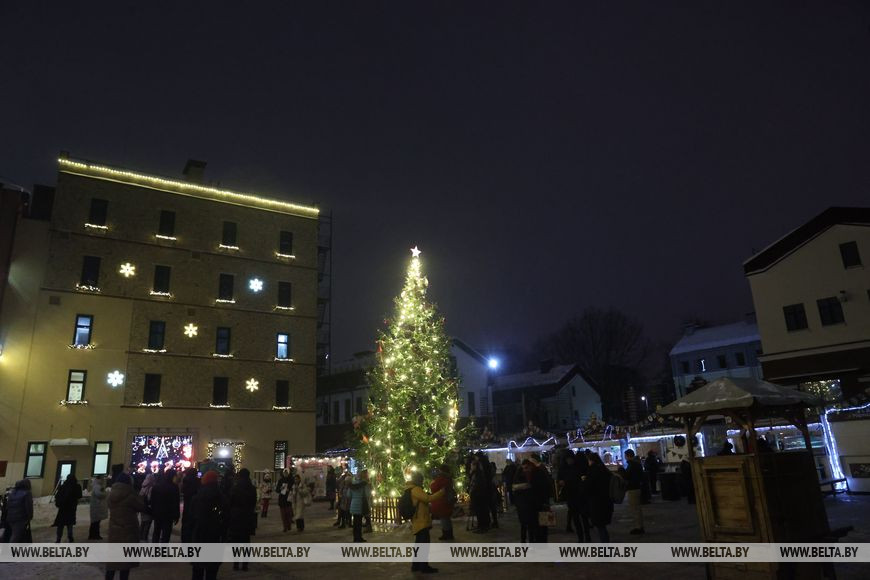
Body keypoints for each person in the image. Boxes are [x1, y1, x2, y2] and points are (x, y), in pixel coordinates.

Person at [105, 473, 145, 580]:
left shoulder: (111, 495)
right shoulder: (131, 495)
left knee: (113, 561)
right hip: (128, 530)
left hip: (114, 530)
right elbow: (141, 506)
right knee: (125, 563)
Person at [406, 471, 444, 573]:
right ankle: (423, 567)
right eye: (421, 479)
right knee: (423, 545)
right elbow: (428, 498)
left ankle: (416, 566)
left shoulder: (412, 488)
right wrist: (441, 492)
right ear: (418, 480)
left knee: (419, 544)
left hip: (419, 520)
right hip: (421, 521)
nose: (422, 481)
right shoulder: (416, 489)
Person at [191, 471, 227, 580]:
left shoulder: (196, 497)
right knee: (212, 571)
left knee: (197, 570)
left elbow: (190, 521)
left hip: (199, 536)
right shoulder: (222, 498)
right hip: (215, 536)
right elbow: (226, 520)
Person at [228, 468, 257, 571]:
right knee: (246, 541)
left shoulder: (235, 488)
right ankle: (245, 564)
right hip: (247, 516)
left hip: (236, 517)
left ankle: (236, 564)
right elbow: (254, 502)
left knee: (235, 541)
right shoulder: (252, 488)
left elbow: (230, 502)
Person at [583, 453, 613, 543]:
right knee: (602, 526)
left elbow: (589, 486)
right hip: (606, 500)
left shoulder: (593, 470)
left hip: (597, 501)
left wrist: (585, 481)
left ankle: (605, 547)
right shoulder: (604, 469)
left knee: (600, 526)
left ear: (591, 460)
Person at [558, 453, 587, 541]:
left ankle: (586, 536)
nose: (569, 461)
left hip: (580, 494)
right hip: (570, 495)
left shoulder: (578, 467)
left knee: (583, 517)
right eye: (567, 459)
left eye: (570, 459)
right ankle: (581, 537)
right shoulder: (563, 469)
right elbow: (559, 479)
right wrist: (561, 482)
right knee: (576, 517)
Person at [150, 471, 180, 543]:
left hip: (157, 513)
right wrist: (177, 515)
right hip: (168, 514)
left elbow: (152, 500)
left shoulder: (156, 486)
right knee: (166, 534)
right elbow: (176, 502)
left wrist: (152, 511)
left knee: (156, 532)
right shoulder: (174, 487)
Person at [53, 474, 83, 543]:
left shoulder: (63, 486)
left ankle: (58, 538)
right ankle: (70, 536)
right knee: (70, 523)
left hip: (63, 507)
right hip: (72, 507)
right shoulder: (76, 486)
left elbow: (58, 495)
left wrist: (59, 503)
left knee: (61, 524)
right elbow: (79, 496)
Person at [430, 464, 455, 541]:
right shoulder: (448, 478)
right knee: (446, 518)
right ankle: (449, 534)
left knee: (444, 519)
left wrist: (432, 483)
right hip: (447, 500)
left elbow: (433, 487)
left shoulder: (442, 478)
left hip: (442, 501)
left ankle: (447, 535)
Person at [623, 449, 645, 535]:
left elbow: (627, 476)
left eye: (625, 456)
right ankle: (639, 526)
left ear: (628, 456)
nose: (625, 457)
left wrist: (621, 469)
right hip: (636, 487)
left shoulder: (632, 465)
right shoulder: (636, 464)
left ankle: (638, 527)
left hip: (633, 488)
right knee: (637, 508)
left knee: (635, 508)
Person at [468, 454, 491, 532]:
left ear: (475, 466)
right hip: (479, 495)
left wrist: (473, 492)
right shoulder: (478, 473)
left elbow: (476, 485)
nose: (471, 467)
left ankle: (482, 526)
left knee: (480, 511)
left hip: (478, 495)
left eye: (472, 465)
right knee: (481, 511)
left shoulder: (478, 475)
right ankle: (483, 525)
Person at [181, 468, 201, 542]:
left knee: (185, 522)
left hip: (187, 503)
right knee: (192, 523)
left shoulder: (185, 480)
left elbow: (183, 490)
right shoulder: (197, 481)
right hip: (194, 505)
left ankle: (184, 539)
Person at [348, 474, 367, 542]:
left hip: (353, 504)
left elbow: (348, 495)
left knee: (355, 523)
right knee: (359, 523)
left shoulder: (351, 486)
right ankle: (359, 537)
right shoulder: (363, 485)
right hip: (360, 504)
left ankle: (355, 538)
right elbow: (366, 494)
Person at [89, 474, 109, 540]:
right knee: (96, 522)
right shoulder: (97, 486)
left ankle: (93, 535)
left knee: (95, 522)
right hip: (97, 506)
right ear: (99, 479)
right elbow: (99, 494)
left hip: (97, 506)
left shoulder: (97, 485)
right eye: (102, 478)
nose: (103, 480)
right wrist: (105, 493)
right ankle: (95, 535)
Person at [138, 472, 156, 540]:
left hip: (142, 506)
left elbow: (140, 495)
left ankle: (140, 535)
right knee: (148, 522)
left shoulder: (143, 485)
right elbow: (150, 498)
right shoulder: (151, 487)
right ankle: (144, 537)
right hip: (148, 507)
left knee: (143, 522)